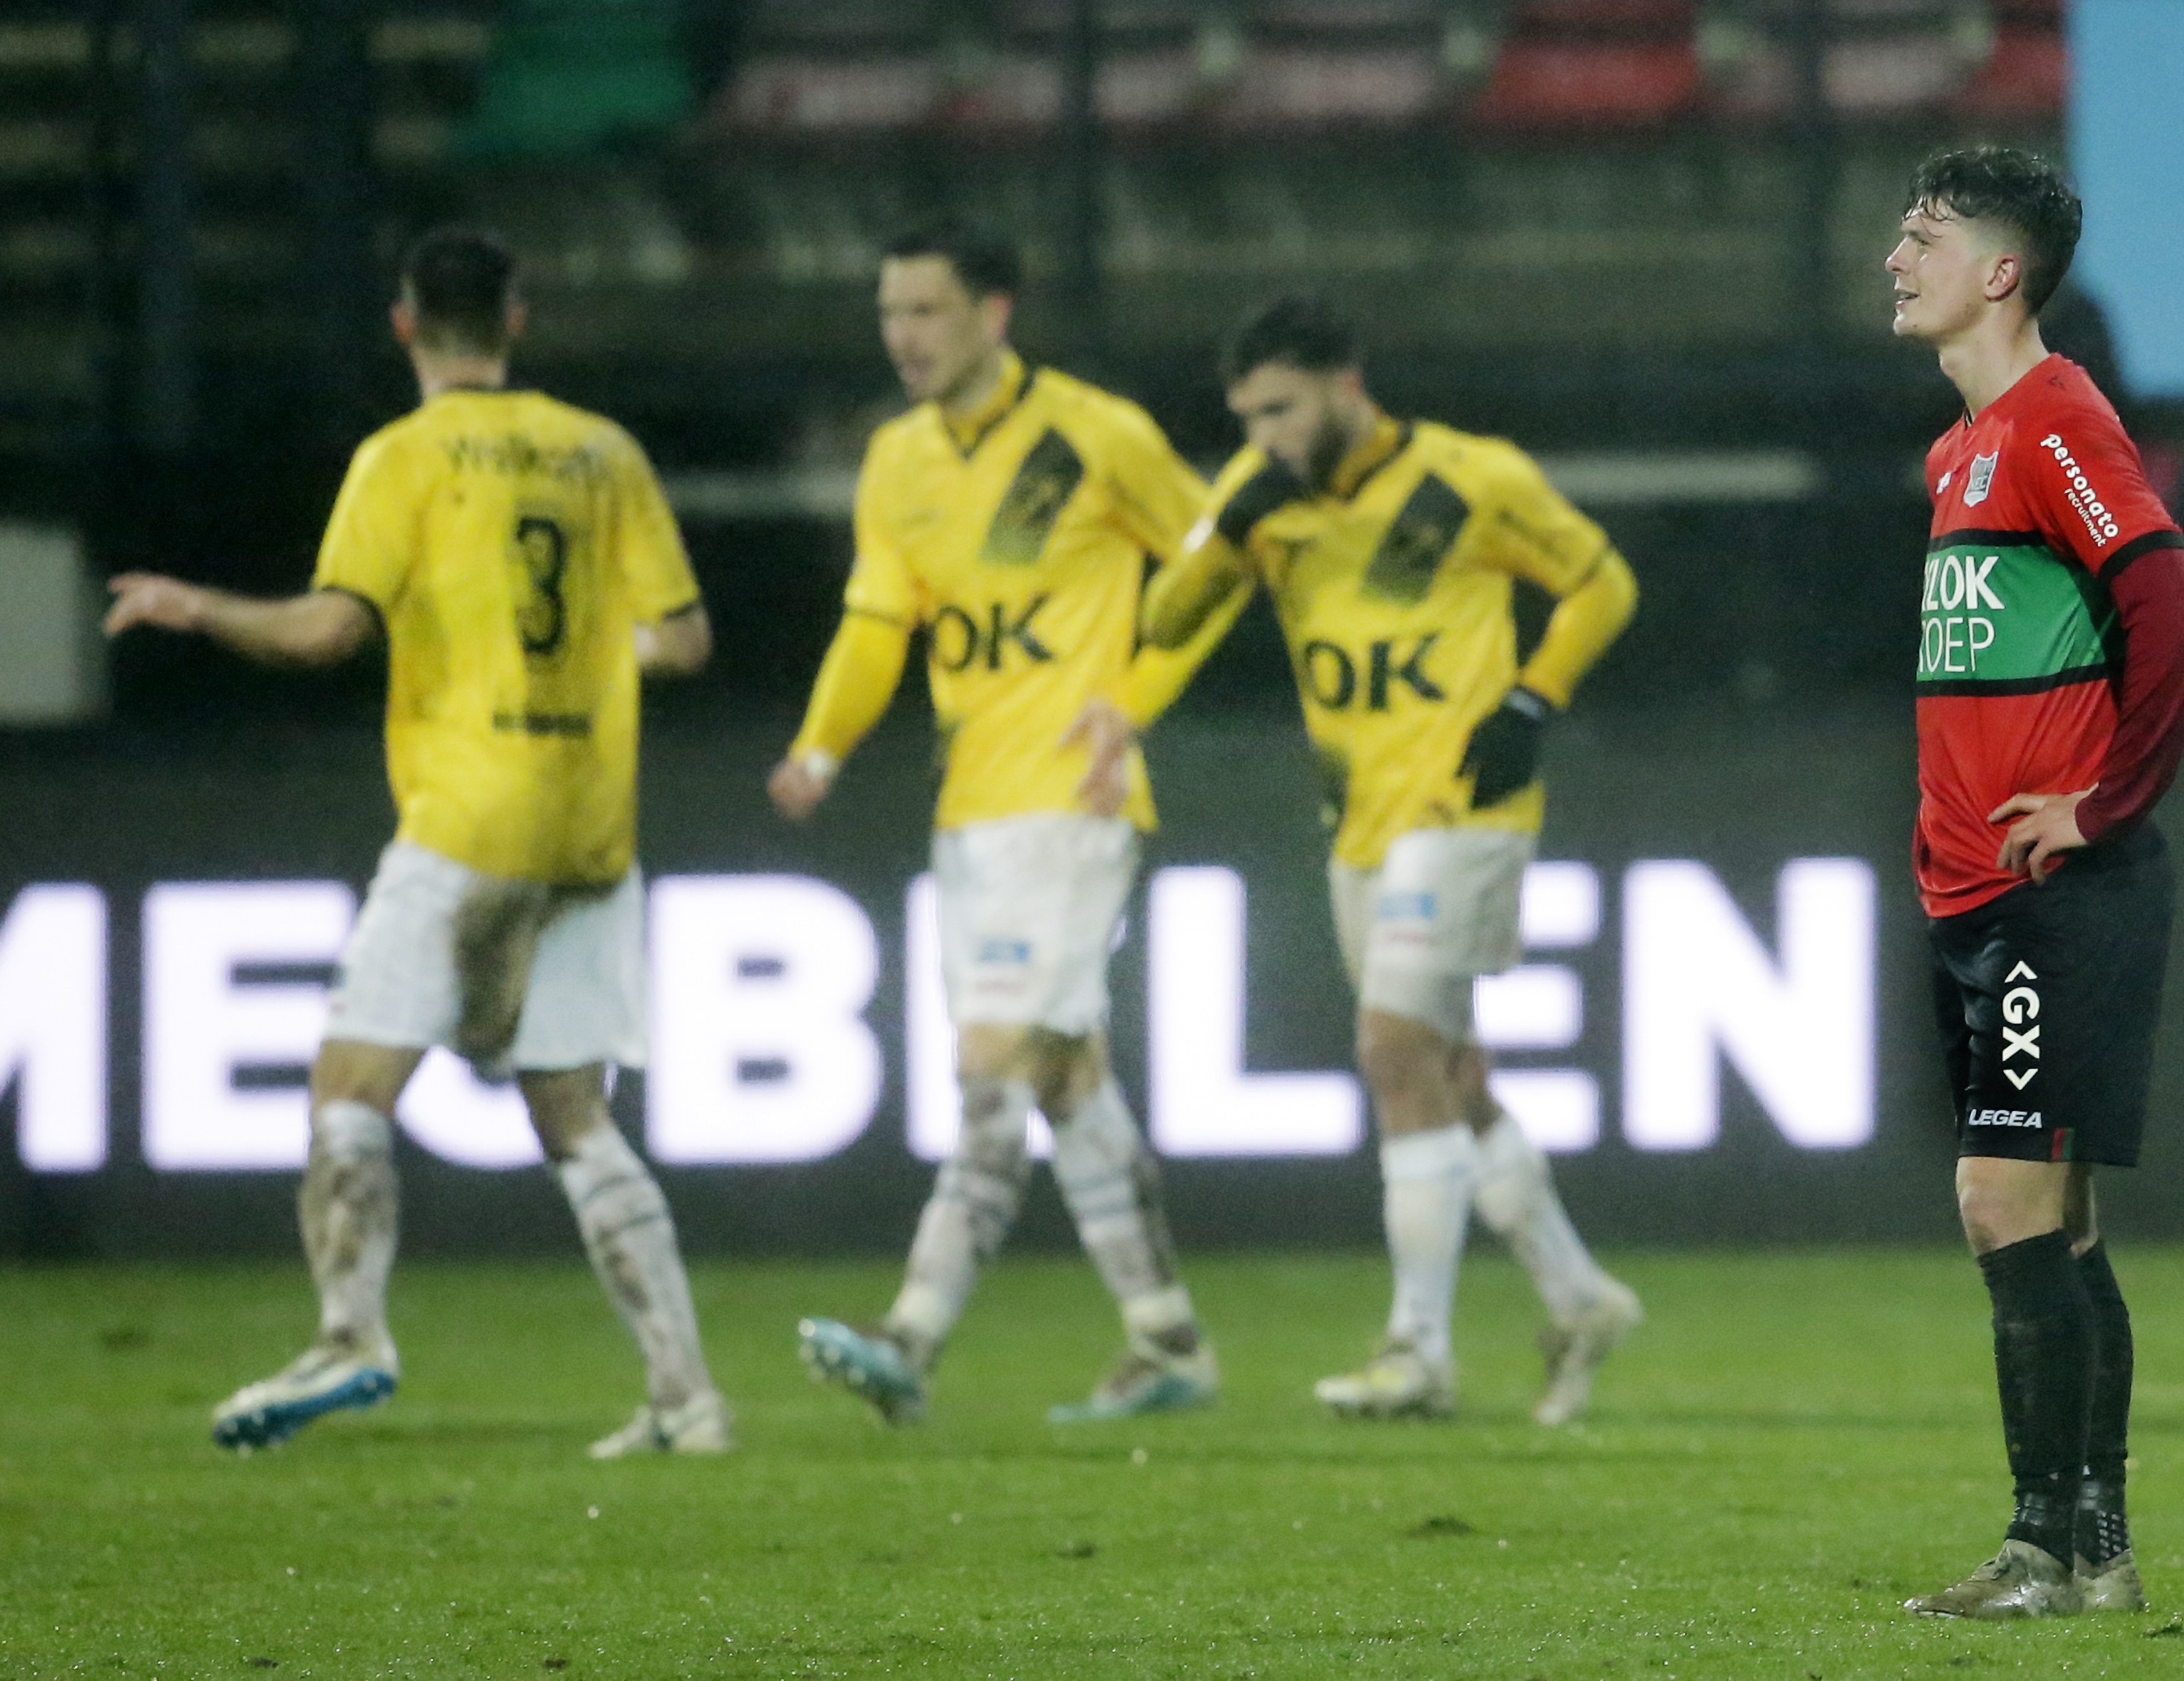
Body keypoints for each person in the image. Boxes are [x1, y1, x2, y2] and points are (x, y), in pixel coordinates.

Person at [104, 226, 730, 1458]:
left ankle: (350, 1333)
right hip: (590, 822)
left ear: (404, 325)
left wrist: (197, 606)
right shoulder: (605, 453)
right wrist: (600, 663)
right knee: (573, 1112)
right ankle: (687, 1397)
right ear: (519, 318)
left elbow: (324, 633)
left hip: (469, 811)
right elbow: (688, 640)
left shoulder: (402, 458)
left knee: (348, 1088)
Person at [1133, 293, 1642, 1425]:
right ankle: (1579, 1293)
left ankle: (1417, 1347)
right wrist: (1230, 528)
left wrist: (1530, 696)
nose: (1264, 433)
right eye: (1249, 416)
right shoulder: (1257, 497)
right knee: (1451, 1077)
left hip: (1462, 805)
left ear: (1345, 386)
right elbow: (1164, 621)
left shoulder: (1472, 477)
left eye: (1281, 409)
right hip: (1357, 823)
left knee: (1390, 1049)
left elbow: (1603, 582)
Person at [768, 221, 1239, 1424]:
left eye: (926, 311)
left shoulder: (1098, 433)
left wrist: (1129, 707)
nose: (904, 337)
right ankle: (1168, 1339)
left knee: (993, 1067)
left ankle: (912, 1334)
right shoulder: (895, 460)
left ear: (994, 314)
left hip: (1072, 805)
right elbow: (879, 623)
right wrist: (824, 742)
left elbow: (1219, 564)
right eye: (890, 314)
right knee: (1068, 1075)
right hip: (970, 811)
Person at [1884, 146, 2184, 1617]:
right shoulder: (1961, 452)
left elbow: (2175, 605)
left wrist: (2099, 801)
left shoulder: (2047, 418)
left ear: (1997, 272)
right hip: (1979, 893)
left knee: (1995, 1195)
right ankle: (2092, 1555)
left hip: (2052, 896)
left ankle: (2043, 1541)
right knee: (2058, 1222)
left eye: (1924, 235)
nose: (1896, 256)